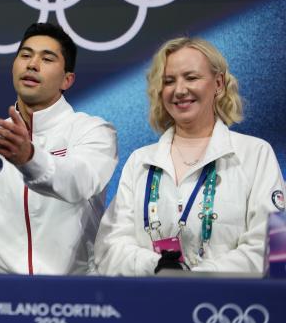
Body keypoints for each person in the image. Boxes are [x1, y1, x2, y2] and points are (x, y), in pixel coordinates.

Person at [95, 37, 285, 275]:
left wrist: (195, 279)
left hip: (227, 307)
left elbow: (269, 245)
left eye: (191, 77)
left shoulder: (255, 154)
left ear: (218, 84)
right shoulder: (140, 161)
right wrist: (158, 267)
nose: (180, 90)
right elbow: (110, 247)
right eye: (169, 81)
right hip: (150, 303)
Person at [0, 23, 118, 275]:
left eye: (47, 58)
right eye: (25, 55)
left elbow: (79, 182)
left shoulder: (94, 131)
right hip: (4, 300)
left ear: (67, 79)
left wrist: (29, 159)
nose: (32, 64)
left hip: (80, 296)